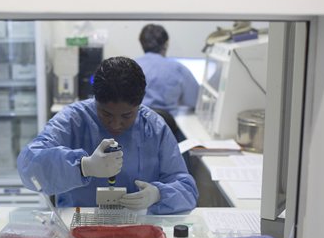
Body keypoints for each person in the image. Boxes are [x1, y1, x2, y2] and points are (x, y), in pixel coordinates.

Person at [17, 56, 198, 215]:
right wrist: (82, 167)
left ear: (140, 104)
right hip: (79, 229)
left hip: (138, 230)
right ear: (96, 100)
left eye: (127, 116)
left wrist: (158, 194)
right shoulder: (72, 120)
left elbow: (188, 191)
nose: (116, 124)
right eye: (106, 114)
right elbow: (28, 167)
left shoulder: (154, 127)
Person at [135, 24, 200, 117]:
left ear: (142, 44)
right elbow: (195, 101)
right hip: (168, 127)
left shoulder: (130, 67)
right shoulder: (178, 69)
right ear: (166, 44)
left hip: (136, 126)